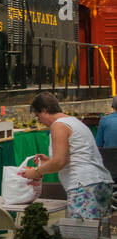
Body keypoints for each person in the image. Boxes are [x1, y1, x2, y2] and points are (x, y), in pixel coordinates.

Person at [19, 92, 114, 221]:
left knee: (80, 233)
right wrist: (48, 161)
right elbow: (71, 156)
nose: (39, 121)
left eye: (38, 117)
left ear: (44, 111)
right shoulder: (74, 122)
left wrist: (36, 172)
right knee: (98, 232)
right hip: (100, 182)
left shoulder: (58, 126)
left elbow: (60, 162)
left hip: (83, 184)